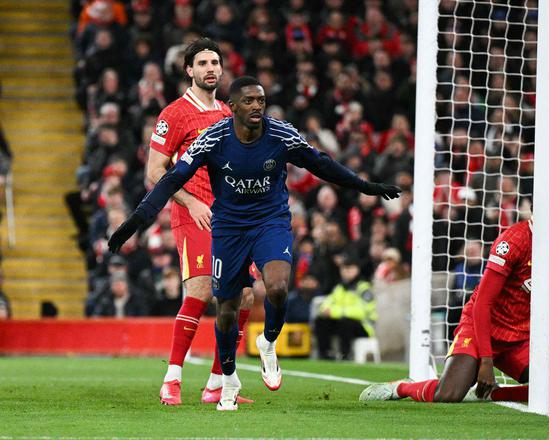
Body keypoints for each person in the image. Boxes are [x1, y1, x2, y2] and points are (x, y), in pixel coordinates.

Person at [109, 75, 401, 411]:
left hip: (269, 222)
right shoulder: (213, 139)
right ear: (232, 107)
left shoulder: (281, 134)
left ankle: (268, 341)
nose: (256, 106)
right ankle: (227, 382)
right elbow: (170, 180)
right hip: (229, 229)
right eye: (248, 101)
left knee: (277, 288)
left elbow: (322, 164)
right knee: (227, 309)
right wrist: (135, 222)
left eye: (261, 100)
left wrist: (366, 187)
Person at [360, 190, 549, 404]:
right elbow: (482, 303)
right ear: (533, 207)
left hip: (521, 338)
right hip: (483, 327)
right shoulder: (513, 240)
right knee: (449, 394)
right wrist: (486, 362)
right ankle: (402, 387)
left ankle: (494, 393)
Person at [145, 38, 254, 406]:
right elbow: (154, 171)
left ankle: (217, 384)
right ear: (189, 70)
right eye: (203, 63)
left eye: (215, 62)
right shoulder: (174, 114)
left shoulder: (227, 112)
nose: (211, 68)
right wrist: (190, 201)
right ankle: (172, 379)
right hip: (193, 213)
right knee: (202, 289)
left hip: (230, 216)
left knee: (245, 296)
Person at [315, 254, 377, 360]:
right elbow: (327, 302)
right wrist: (325, 310)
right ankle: (325, 354)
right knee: (321, 321)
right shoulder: (340, 288)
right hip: (342, 323)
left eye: (349, 268)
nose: (345, 271)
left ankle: (345, 355)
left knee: (345, 323)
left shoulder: (364, 288)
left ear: (357, 269)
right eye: (343, 268)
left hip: (364, 326)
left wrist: (334, 312)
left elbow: (361, 312)